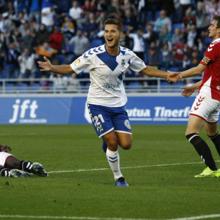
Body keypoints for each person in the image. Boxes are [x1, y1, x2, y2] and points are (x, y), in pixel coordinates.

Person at [38, 17, 171, 187]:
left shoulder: (127, 55)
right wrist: (53, 68)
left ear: (120, 34)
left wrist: (166, 74)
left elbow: (146, 69)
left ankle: (106, 141)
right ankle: (119, 178)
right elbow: (71, 68)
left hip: (118, 106)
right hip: (97, 105)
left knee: (127, 144)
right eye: (106, 31)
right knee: (113, 142)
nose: (109, 34)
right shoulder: (92, 55)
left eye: (113, 31)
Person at [169, 16, 220, 178]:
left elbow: (199, 69)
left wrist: (178, 75)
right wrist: (193, 86)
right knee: (212, 133)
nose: (209, 28)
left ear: (219, 29)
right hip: (216, 96)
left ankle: (212, 169)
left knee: (191, 132)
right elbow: (212, 75)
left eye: (212, 25)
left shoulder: (215, 44)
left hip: (208, 94)